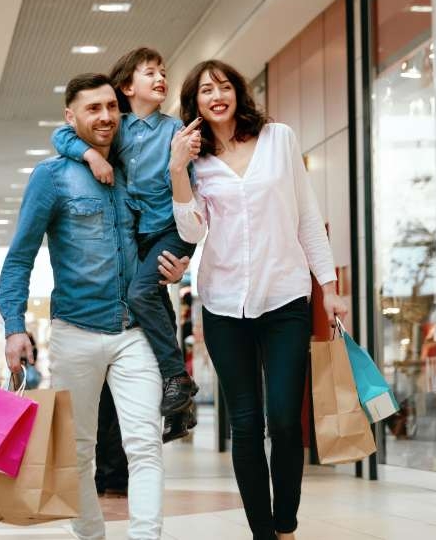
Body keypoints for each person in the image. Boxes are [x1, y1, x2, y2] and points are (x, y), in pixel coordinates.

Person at [0, 73, 190, 540]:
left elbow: (167, 226)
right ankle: (91, 535)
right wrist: (12, 325)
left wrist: (177, 265)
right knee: (79, 451)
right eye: (92, 109)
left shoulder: (131, 167)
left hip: (135, 330)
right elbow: (20, 256)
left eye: (111, 107)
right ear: (71, 117)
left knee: (144, 444)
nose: (104, 117)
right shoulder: (52, 176)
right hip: (75, 331)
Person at [169, 60, 346, 540]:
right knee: (245, 425)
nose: (216, 95)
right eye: (205, 90)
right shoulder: (197, 162)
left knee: (286, 421)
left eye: (224, 86)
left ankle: (285, 525)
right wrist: (177, 168)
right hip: (224, 303)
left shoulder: (279, 139)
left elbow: (307, 214)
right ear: (195, 104)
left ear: (238, 93)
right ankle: (262, 534)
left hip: (285, 295)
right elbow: (192, 229)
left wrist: (328, 287)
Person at [52, 48, 199, 440]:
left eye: (163, 71)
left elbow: (194, 195)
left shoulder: (176, 131)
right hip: (138, 233)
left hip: (172, 230)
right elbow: (60, 134)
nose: (160, 78)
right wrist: (92, 157)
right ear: (127, 88)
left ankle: (176, 380)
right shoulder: (118, 127)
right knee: (151, 301)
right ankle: (178, 402)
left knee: (140, 293)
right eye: (149, 72)